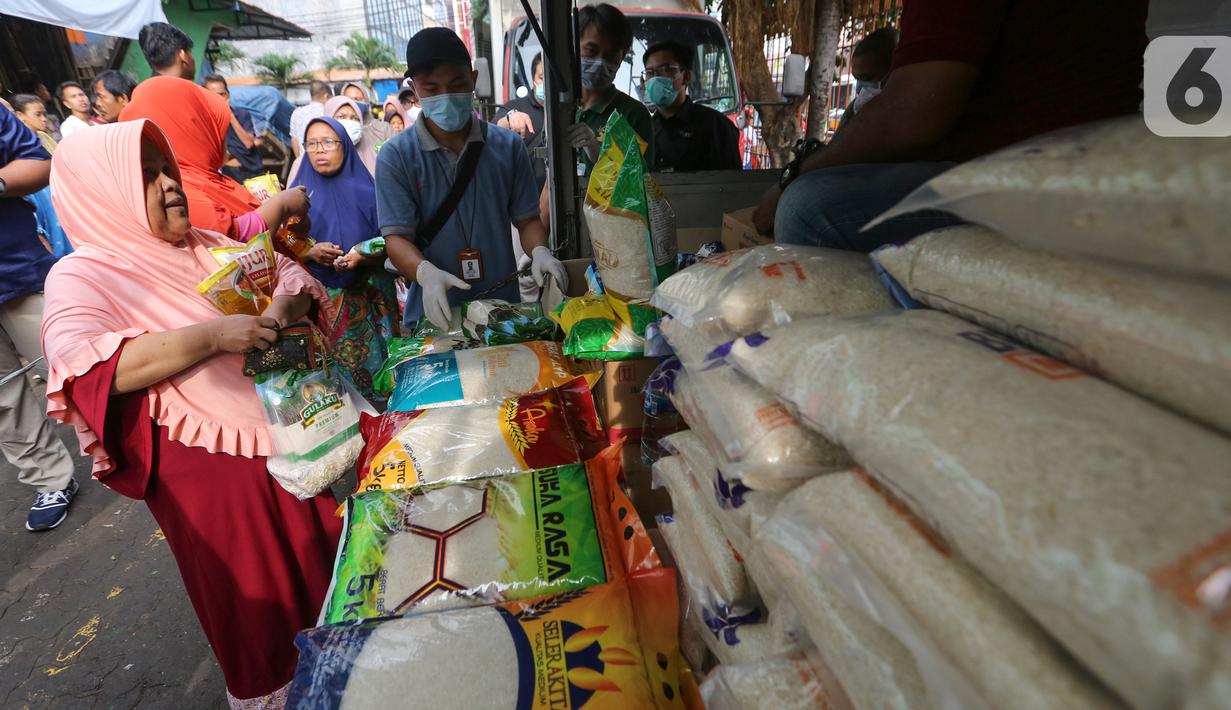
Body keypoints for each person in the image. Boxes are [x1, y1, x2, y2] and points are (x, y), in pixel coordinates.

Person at [42, 119, 340, 707]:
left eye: (167, 169)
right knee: (265, 616)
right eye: (146, 175)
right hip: (216, 490)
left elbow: (285, 272)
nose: (169, 184)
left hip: (302, 446)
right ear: (104, 190)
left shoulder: (206, 243)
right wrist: (211, 338)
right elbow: (81, 367)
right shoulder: (83, 275)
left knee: (335, 578)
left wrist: (276, 315)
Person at [756, 0, 1149, 250]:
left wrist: (793, 176)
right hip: (1086, 163)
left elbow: (914, 114)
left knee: (808, 208)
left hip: (1036, 178)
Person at [377, 27, 566, 331]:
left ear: (474, 80)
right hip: (435, 312)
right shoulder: (396, 156)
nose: (445, 96)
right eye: (431, 87)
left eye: (456, 84)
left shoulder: (508, 146)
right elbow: (396, 239)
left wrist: (540, 251)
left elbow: (527, 219)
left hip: (501, 311)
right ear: (414, 89)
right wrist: (425, 273)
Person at [0, 106, 79, 533]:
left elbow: (39, 162)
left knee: (72, 366)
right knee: (3, 398)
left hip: (17, 269)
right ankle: (50, 480)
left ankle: (129, 446)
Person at [120, 77, 310, 241]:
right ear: (189, 130)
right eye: (209, 125)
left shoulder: (205, 176)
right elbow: (229, 240)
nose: (221, 137)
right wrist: (282, 204)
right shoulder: (178, 187)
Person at [290, 117, 397, 404]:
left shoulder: (372, 189)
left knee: (387, 374)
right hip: (323, 299)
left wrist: (364, 252)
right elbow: (280, 239)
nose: (319, 150)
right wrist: (307, 250)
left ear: (345, 146)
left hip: (373, 298)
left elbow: (395, 235)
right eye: (311, 143)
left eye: (327, 142)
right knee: (337, 385)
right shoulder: (297, 195)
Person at [571, 4, 654, 176]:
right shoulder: (561, 109)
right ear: (573, 47)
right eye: (591, 50)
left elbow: (639, 183)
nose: (600, 61)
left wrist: (597, 151)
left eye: (610, 55)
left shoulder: (632, 115)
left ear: (621, 58)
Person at [642, 40, 741, 172]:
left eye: (665, 69)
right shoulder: (645, 129)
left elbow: (732, 184)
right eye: (650, 72)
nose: (655, 79)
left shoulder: (716, 126)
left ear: (686, 76)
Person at [495, 51, 547, 191]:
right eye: (542, 77)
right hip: (529, 198)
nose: (547, 83)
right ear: (533, 79)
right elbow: (495, 127)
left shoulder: (570, 109)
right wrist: (510, 118)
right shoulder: (515, 107)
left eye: (551, 77)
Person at [203, 73, 266, 183]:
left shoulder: (242, 115)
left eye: (222, 94)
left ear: (228, 95)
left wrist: (230, 116)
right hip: (228, 174)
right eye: (214, 95)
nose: (218, 99)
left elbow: (248, 143)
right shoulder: (204, 121)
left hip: (253, 171)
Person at [289, 80, 332, 158]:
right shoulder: (328, 112)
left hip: (304, 161)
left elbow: (294, 141)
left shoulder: (296, 113)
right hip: (325, 160)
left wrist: (299, 162)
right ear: (326, 96)